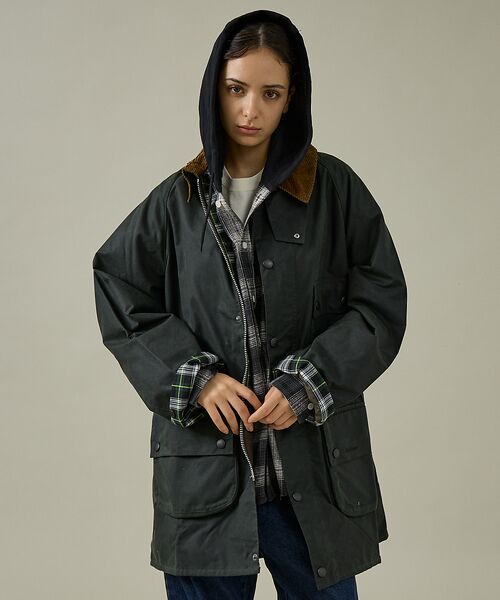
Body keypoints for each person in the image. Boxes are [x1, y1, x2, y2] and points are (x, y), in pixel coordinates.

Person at [92, 9, 407, 600]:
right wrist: (195, 378)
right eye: (236, 89)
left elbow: (380, 305)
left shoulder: (335, 190)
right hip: (206, 484)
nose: (250, 110)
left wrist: (308, 383)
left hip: (313, 478)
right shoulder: (177, 201)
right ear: (214, 90)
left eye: (270, 93)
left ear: (292, 99)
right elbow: (118, 284)